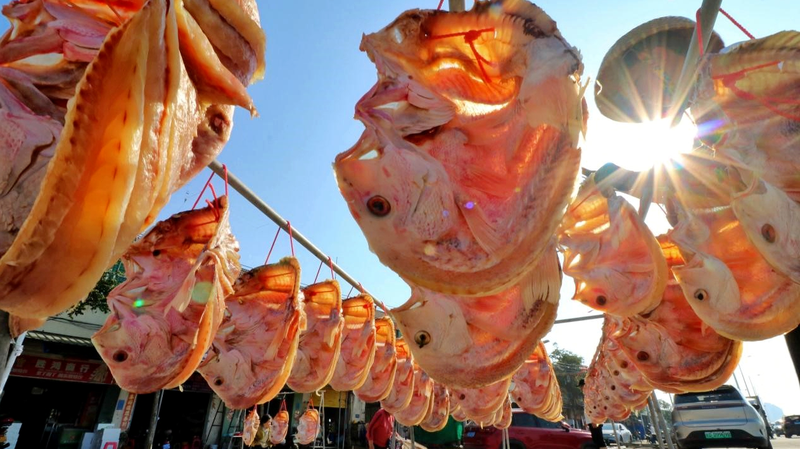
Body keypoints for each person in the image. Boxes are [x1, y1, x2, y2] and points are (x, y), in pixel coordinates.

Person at [578, 379, 606, 448]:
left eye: (581, 386)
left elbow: (595, 407)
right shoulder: (587, 394)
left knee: (599, 440)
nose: (580, 388)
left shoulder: (591, 393)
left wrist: (594, 421)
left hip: (595, 421)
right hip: (592, 421)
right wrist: (587, 421)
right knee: (595, 440)